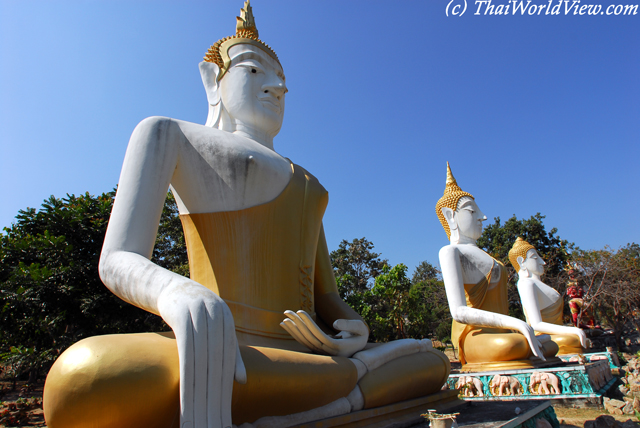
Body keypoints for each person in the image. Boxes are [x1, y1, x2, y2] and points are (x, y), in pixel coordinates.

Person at [43, 3, 450, 428]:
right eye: (255, 70)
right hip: (223, 351)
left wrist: (355, 329)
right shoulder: (169, 133)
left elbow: (325, 295)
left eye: (282, 79)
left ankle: (339, 385)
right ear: (212, 80)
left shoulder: (308, 182)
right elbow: (116, 259)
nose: (278, 86)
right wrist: (179, 295)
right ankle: (346, 390)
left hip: (307, 359)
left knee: (432, 361)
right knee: (84, 377)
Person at [436, 163, 559, 372]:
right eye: (472, 211)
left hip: (502, 332)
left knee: (550, 343)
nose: (482, 216)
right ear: (450, 216)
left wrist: (516, 326)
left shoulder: (485, 255)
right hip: (476, 336)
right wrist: (517, 324)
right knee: (514, 345)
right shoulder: (451, 252)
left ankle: (524, 344)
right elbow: (458, 311)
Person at [509, 237, 588, 355]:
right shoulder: (526, 283)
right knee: (571, 340)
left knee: (574, 338)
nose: (543, 262)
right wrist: (572, 330)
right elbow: (536, 324)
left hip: (557, 335)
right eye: (535, 258)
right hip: (544, 337)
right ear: (521, 262)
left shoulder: (537, 283)